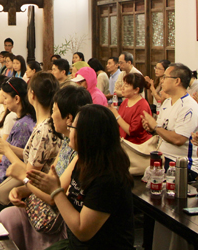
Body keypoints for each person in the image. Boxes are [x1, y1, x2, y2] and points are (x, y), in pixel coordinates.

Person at [25, 105, 135, 250]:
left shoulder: (108, 178)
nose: (69, 129)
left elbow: (83, 231)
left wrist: (55, 191)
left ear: (88, 135)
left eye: (73, 127)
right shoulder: (83, 162)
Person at [0, 84, 93, 250]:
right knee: (6, 216)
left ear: (69, 118)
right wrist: (22, 190)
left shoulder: (79, 154)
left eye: (54, 110)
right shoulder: (66, 141)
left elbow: (53, 196)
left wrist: (24, 178)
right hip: (43, 207)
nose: (51, 115)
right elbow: (48, 180)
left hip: (57, 220)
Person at [0, 72, 63, 205]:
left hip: (36, 193)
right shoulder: (45, 123)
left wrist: (7, 150)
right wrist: (6, 147)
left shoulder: (43, 129)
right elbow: (32, 155)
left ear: (32, 95)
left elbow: (29, 172)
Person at [141, 63, 198, 180]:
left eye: (165, 77)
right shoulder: (167, 103)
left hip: (182, 165)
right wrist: (151, 129)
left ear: (177, 81)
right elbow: (162, 130)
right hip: (163, 158)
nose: (162, 81)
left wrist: (155, 127)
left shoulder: (188, 107)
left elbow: (178, 139)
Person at [109, 73, 153, 145]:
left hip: (136, 145)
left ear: (136, 90)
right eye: (123, 84)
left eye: (126, 86)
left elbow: (132, 131)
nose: (122, 88)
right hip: (123, 142)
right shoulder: (126, 101)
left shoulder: (142, 106)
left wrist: (116, 115)